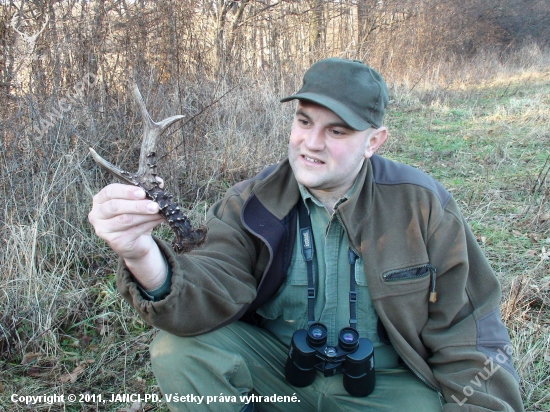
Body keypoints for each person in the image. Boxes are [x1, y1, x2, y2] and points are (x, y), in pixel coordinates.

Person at [88, 58, 524, 412]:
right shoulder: (252, 201)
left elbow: (471, 329)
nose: (311, 143)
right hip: (278, 377)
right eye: (304, 121)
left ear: (374, 141)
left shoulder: (421, 205)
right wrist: (141, 254)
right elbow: (209, 284)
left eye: (337, 131)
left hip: (386, 388)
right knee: (179, 352)